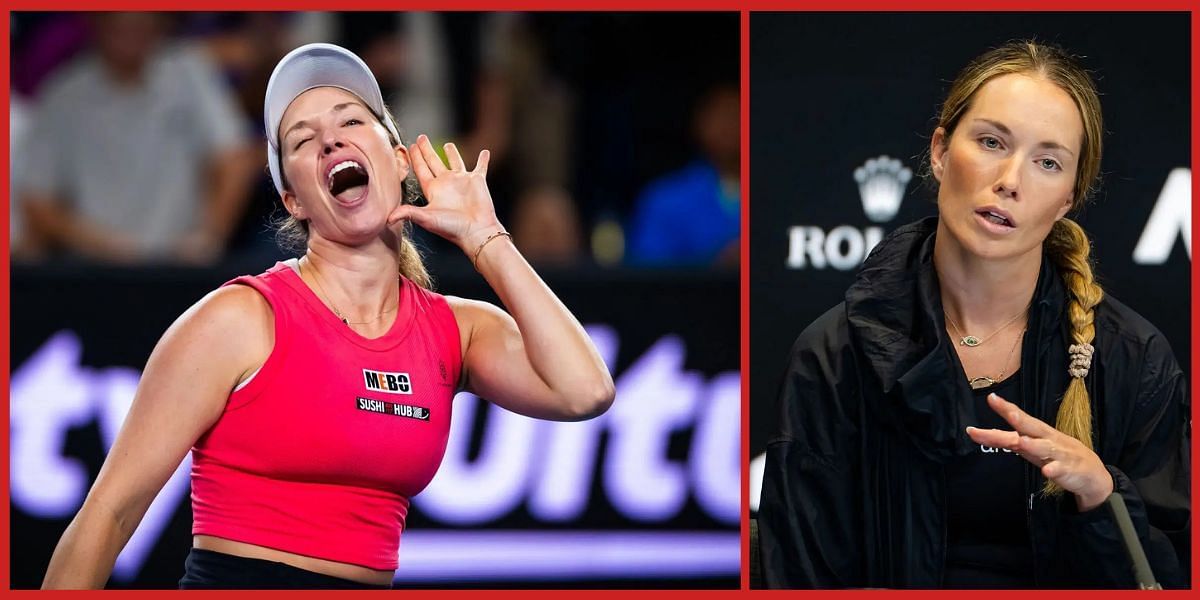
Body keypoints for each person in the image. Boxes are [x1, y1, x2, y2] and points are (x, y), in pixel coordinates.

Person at [41, 42, 615, 589]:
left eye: (350, 122)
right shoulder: (239, 319)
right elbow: (107, 517)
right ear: (294, 198)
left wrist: (485, 236)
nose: (331, 143)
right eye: (303, 139)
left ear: (397, 160)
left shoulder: (455, 329)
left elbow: (584, 390)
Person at [758, 41, 1189, 589]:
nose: (1010, 179)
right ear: (940, 151)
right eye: (991, 142)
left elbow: (1172, 574)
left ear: (1067, 199)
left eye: (1047, 162)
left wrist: (1102, 496)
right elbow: (797, 573)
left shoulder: (1133, 359)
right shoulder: (835, 355)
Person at [18, 12, 256, 265]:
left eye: (141, 21)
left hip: (180, 266)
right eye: (117, 22)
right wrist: (101, 245)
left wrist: (210, 235)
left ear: (159, 22)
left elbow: (236, 158)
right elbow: (36, 199)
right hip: (92, 271)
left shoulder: (188, 70)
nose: (130, 30)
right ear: (96, 22)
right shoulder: (65, 93)